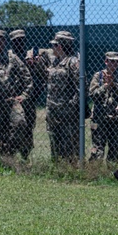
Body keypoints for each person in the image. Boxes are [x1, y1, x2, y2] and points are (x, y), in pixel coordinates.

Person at [45, 31, 80, 161]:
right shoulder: (55, 62)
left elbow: (80, 88)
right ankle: (57, 168)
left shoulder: (73, 62)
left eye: (54, 45)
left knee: (69, 146)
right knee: (54, 143)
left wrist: (71, 106)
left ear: (60, 46)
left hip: (67, 114)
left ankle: (71, 169)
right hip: (53, 112)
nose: (52, 48)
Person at [88, 51, 118, 164]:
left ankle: (111, 172)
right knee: (98, 146)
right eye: (112, 61)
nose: (114, 64)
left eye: (117, 62)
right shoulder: (99, 76)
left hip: (115, 118)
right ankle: (94, 171)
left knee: (114, 147)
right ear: (106, 62)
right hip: (99, 117)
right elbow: (92, 94)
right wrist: (105, 86)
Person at [11, 29, 44, 159]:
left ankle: (25, 156)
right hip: (12, 99)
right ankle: (11, 156)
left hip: (28, 100)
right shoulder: (8, 57)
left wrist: (35, 65)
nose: (19, 43)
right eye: (16, 41)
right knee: (13, 128)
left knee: (28, 128)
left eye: (21, 40)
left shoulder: (30, 57)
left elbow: (40, 79)